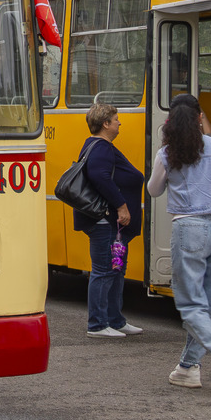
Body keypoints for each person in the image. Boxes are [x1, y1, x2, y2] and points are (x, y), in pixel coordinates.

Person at [146, 93, 211, 396]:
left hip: (189, 229)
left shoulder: (167, 153)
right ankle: (188, 368)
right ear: (200, 117)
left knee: (191, 305)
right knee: (205, 303)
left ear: (171, 124)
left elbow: (153, 190)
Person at [75, 103, 144, 338]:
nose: (119, 123)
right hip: (105, 221)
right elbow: (99, 177)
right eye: (116, 119)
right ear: (105, 124)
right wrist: (121, 206)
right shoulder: (101, 147)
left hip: (112, 225)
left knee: (116, 269)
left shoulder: (99, 146)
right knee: (104, 270)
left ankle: (115, 320)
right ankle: (97, 324)